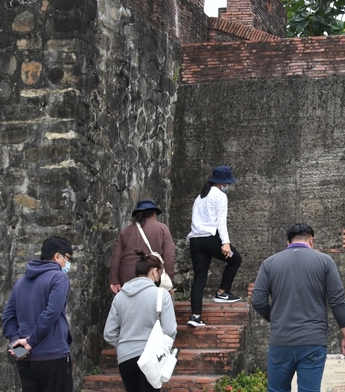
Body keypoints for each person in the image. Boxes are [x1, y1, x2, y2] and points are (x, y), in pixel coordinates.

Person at [251, 224, 345, 392]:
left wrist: (277, 319)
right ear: (311, 241)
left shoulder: (269, 263)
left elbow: (257, 301)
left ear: (288, 243)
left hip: (281, 340)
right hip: (313, 341)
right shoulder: (325, 262)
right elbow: (337, 302)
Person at [2, 236, 74, 392]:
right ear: (57, 256)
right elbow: (51, 313)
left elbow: (8, 317)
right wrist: (31, 342)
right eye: (67, 258)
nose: (67, 264)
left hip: (26, 359)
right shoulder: (59, 277)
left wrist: (18, 346)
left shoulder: (20, 282)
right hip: (53, 356)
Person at [104, 251, 177, 392]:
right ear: (155, 272)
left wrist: (123, 345)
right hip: (151, 358)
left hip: (125, 358)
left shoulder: (120, 297)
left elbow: (109, 333)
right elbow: (170, 330)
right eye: (160, 274)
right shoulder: (162, 295)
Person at [186, 165, 243, 327]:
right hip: (211, 239)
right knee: (235, 259)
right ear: (223, 182)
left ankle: (195, 316)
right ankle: (222, 293)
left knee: (199, 279)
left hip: (196, 241)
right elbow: (221, 221)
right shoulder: (219, 196)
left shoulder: (200, 197)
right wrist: (226, 243)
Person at [109, 198, 175, 295]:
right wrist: (169, 282)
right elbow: (169, 257)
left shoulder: (125, 231)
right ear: (154, 214)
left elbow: (116, 257)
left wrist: (114, 280)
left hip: (127, 278)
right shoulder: (162, 228)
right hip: (152, 277)